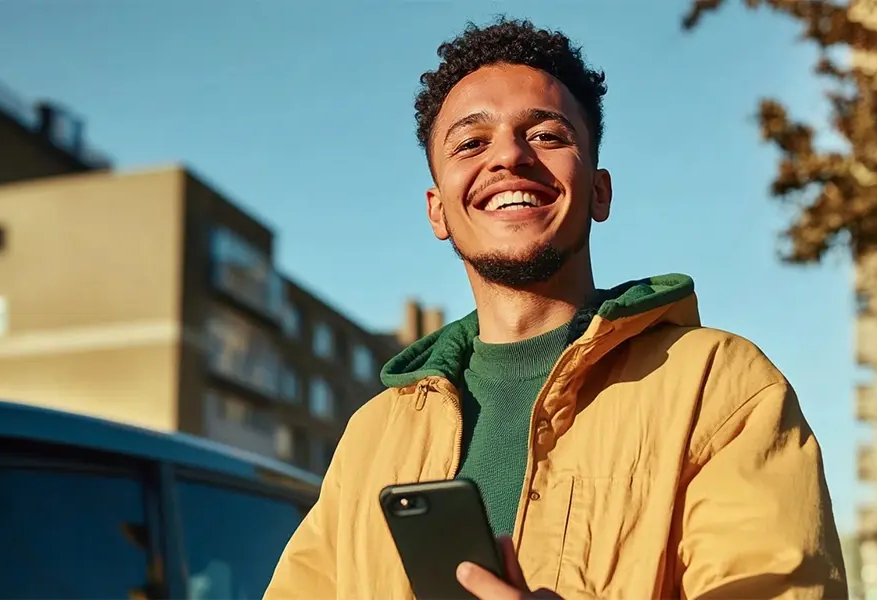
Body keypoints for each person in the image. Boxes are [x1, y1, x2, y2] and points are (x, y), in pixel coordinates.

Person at [265, 17, 847, 600]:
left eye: (546, 135)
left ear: (599, 190)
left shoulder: (719, 386)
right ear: (437, 210)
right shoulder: (372, 435)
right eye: (471, 142)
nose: (509, 157)